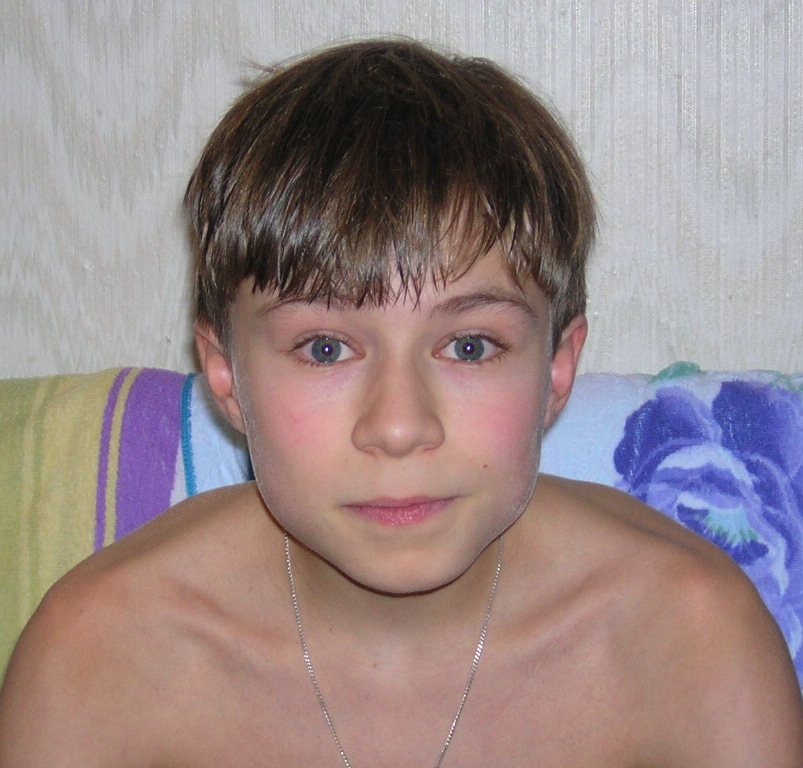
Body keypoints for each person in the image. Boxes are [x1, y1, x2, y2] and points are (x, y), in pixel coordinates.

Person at [1, 38, 801, 767]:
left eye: (469, 347)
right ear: (225, 375)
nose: (397, 427)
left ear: (557, 369)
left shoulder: (691, 642)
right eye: (324, 348)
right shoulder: (100, 659)